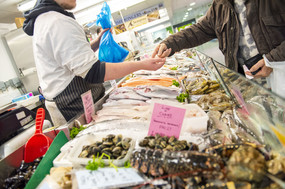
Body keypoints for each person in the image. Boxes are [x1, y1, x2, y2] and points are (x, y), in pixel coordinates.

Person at [23, 0, 166, 126]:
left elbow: (67, 57)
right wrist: (142, 64)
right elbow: (94, 72)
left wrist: (95, 44)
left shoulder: (46, 19)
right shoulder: (57, 22)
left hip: (74, 100)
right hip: (71, 106)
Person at [152, 0, 285, 89]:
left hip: (280, 72)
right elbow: (199, 30)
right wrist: (170, 43)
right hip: (249, 82)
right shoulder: (220, 6)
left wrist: (272, 60)